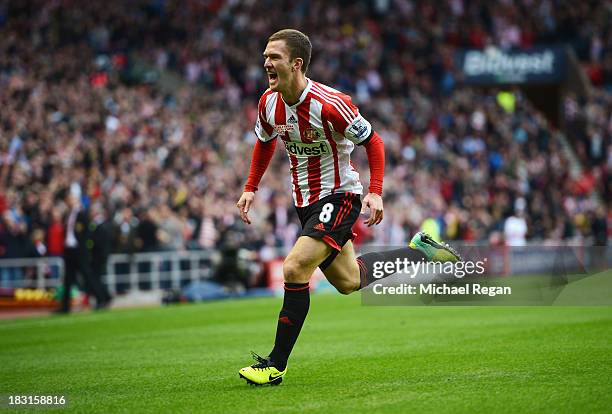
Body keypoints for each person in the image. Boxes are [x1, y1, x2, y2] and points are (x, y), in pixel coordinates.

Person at [236, 29, 461, 385]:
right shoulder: (268, 102)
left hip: (339, 196)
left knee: (294, 268)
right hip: (305, 203)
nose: (266, 62)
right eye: (265, 56)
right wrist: (251, 187)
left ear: (296, 64)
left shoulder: (330, 104)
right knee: (349, 281)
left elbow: (373, 141)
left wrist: (375, 192)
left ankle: (274, 364)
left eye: (273, 57)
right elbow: (264, 141)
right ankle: (421, 251)